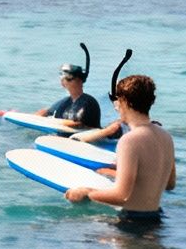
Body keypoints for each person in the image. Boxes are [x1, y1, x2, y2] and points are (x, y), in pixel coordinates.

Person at [64, 74, 175, 226]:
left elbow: (122, 195)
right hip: (156, 219)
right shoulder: (166, 136)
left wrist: (87, 193)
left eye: (117, 100)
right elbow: (170, 184)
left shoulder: (129, 141)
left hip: (131, 223)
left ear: (125, 102)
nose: (115, 106)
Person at [38, 62, 101, 129]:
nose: (64, 80)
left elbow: (77, 123)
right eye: (62, 77)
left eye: (69, 77)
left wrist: (51, 122)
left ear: (80, 81)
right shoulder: (66, 101)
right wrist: (32, 118)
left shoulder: (88, 102)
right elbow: (48, 111)